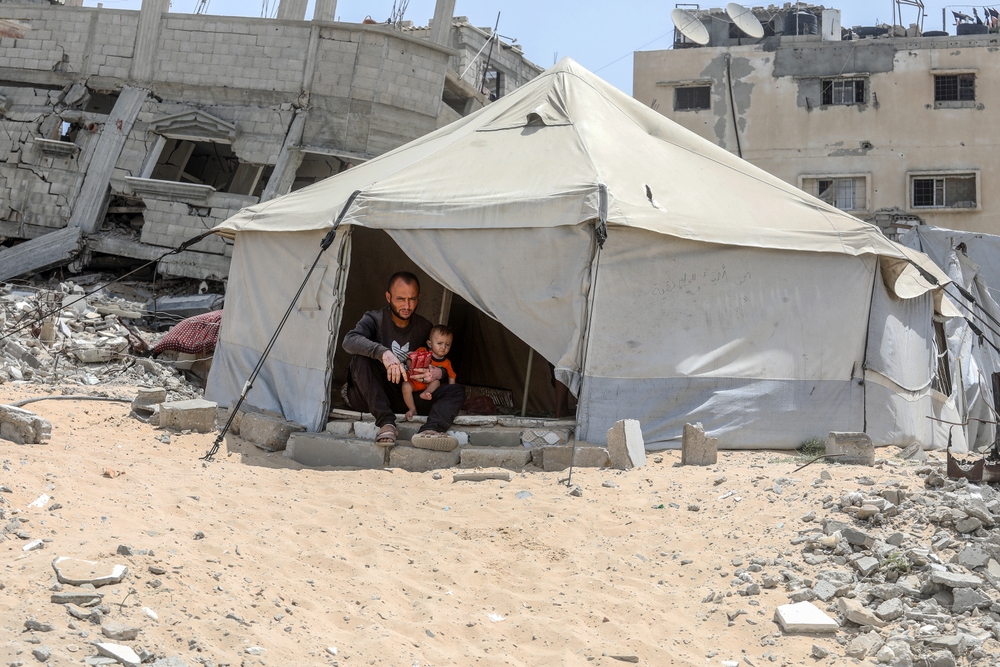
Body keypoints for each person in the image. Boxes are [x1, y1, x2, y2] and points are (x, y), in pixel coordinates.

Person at [342, 272, 465, 450]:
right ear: (388, 297)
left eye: (412, 299)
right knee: (360, 358)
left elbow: (439, 358)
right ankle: (386, 423)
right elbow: (349, 341)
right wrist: (383, 353)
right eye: (400, 299)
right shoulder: (374, 319)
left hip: (407, 396)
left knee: (456, 390)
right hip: (372, 394)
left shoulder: (424, 327)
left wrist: (440, 372)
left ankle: (430, 430)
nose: (407, 306)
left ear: (419, 298)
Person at [402, 325, 457, 420]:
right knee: (405, 387)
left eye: (447, 345)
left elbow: (452, 376)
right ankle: (412, 409)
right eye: (439, 343)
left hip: (428, 386)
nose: (443, 347)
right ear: (430, 344)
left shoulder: (446, 363)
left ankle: (426, 393)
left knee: (436, 382)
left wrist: (451, 390)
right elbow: (409, 359)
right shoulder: (422, 351)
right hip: (414, 382)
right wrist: (410, 366)